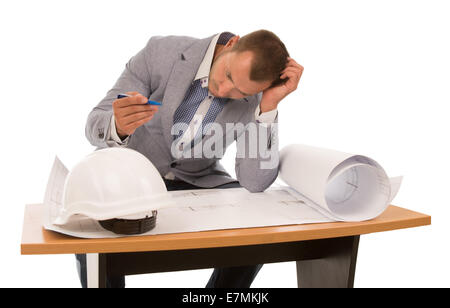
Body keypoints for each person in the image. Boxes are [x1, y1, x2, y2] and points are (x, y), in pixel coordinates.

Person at [79, 30, 304, 288]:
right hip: (131, 175)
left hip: (197, 179)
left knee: (257, 229)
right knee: (91, 229)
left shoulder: (257, 96)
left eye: (238, 91)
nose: (224, 89)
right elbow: (93, 126)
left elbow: (255, 182)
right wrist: (117, 125)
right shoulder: (161, 53)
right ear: (231, 44)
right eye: (228, 74)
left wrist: (268, 107)